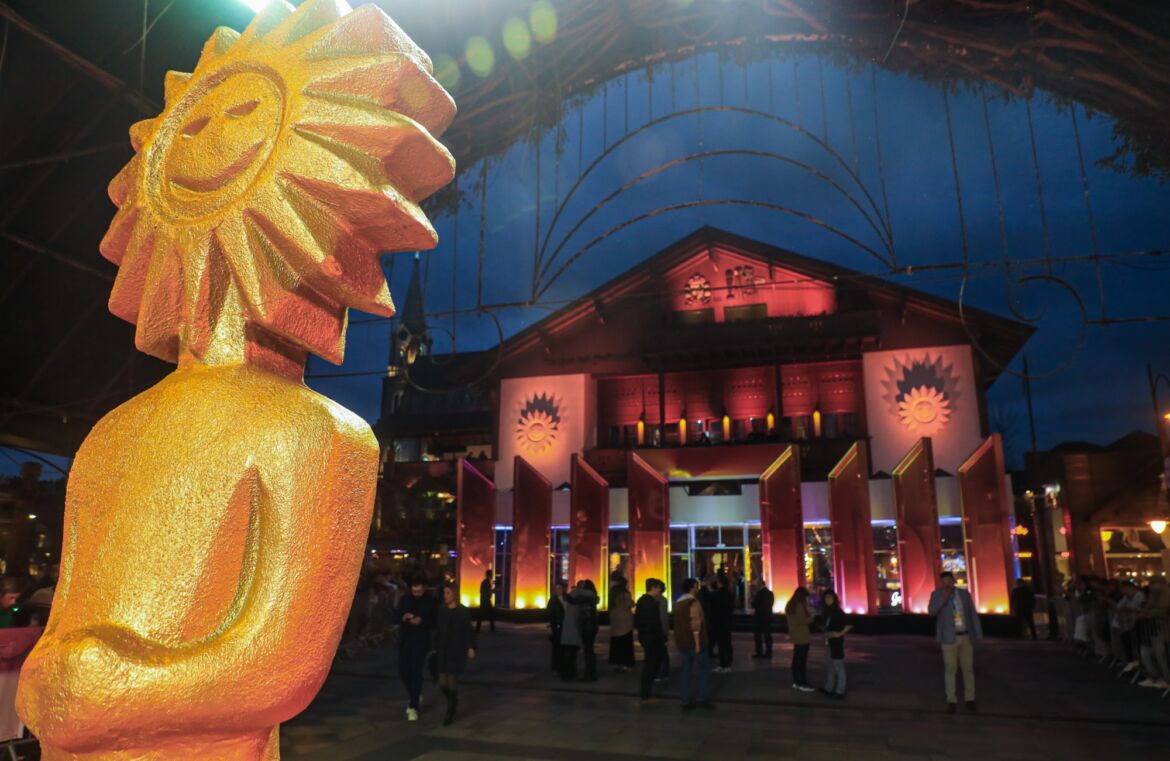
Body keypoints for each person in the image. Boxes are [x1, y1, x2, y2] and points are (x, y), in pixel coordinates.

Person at [927, 571, 983, 713]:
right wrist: (944, 599)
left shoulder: (964, 595)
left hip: (965, 636)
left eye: (949, 581)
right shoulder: (937, 595)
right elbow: (931, 611)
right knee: (950, 669)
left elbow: (972, 614)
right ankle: (951, 700)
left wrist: (977, 634)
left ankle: (970, 699)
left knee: (968, 669)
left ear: (953, 581)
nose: (947, 585)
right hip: (948, 638)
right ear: (941, 583)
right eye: (944, 582)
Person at [394, 579, 438, 721]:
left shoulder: (431, 601)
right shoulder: (405, 599)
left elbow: (435, 620)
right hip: (406, 639)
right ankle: (415, 694)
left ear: (424, 589)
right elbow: (396, 615)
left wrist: (422, 620)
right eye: (414, 591)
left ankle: (413, 705)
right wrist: (404, 617)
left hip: (421, 640)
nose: (416, 594)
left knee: (416, 671)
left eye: (419, 591)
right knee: (403, 670)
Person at [435, 585, 476, 725]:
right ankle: (453, 699)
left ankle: (450, 711)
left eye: (448, 593)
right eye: (444, 593)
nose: (445, 596)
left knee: (452, 679)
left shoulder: (463, 611)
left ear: (454, 594)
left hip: (456, 650)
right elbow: (438, 630)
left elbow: (468, 630)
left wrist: (470, 647)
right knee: (442, 682)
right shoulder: (442, 610)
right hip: (443, 649)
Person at [674, 578, 713, 710]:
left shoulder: (678, 603)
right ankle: (701, 697)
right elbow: (696, 624)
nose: (697, 589)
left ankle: (685, 699)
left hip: (682, 641)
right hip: (694, 641)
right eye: (696, 586)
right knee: (704, 668)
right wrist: (697, 644)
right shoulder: (694, 603)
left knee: (686, 669)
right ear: (692, 588)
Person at [635, 578, 667, 700]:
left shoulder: (642, 601)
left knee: (650, 662)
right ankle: (645, 691)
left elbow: (637, 621)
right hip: (652, 637)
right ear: (653, 588)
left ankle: (646, 690)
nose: (660, 591)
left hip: (645, 635)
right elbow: (655, 622)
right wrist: (661, 636)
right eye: (658, 588)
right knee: (651, 663)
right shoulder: (651, 603)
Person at [819, 590, 852, 699]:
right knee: (830, 665)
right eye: (826, 598)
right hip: (829, 641)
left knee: (838, 665)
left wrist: (839, 634)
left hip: (836, 642)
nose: (827, 599)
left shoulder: (838, 612)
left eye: (830, 597)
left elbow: (849, 624)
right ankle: (829, 688)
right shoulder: (827, 612)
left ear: (834, 599)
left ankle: (840, 691)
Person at [785, 587, 814, 691]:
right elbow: (803, 621)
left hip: (795, 635)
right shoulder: (799, 606)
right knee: (802, 660)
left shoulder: (790, 605)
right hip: (802, 636)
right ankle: (801, 682)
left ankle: (796, 681)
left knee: (796, 659)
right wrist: (812, 617)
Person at [608, 576, 636, 671]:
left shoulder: (612, 593)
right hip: (625, 620)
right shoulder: (625, 593)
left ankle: (617, 663)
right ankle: (625, 663)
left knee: (616, 642)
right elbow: (630, 604)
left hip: (615, 619)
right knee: (625, 643)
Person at [708, 576, 734, 672]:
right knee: (726, 643)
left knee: (722, 644)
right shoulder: (729, 594)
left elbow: (712, 605)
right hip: (727, 622)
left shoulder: (718, 594)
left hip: (719, 622)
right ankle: (727, 663)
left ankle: (724, 664)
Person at [751, 578, 775, 659]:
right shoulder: (770, 593)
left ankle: (759, 652)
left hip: (760, 617)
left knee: (758, 636)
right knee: (767, 635)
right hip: (767, 617)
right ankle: (768, 652)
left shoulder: (758, 594)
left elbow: (754, 604)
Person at [547, 581, 566, 673]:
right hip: (556, 626)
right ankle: (555, 666)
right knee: (556, 647)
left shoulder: (566, 599)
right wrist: (550, 626)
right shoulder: (552, 601)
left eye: (560, 588)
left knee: (563, 647)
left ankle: (561, 665)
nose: (558, 590)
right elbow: (549, 614)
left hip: (564, 626)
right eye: (556, 588)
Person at [656, 580, 671, 681]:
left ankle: (661, 673)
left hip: (659, 629)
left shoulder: (657, 600)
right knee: (663, 652)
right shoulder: (663, 600)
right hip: (662, 629)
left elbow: (662, 617)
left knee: (659, 653)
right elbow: (665, 618)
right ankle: (665, 672)